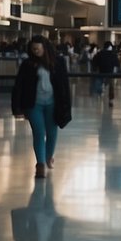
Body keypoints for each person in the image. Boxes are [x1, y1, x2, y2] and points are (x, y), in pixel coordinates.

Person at [11, 35, 73, 179]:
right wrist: (17, 108)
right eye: (33, 49)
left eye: (38, 49)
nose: (36, 51)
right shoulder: (28, 64)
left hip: (53, 104)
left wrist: (66, 106)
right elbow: (19, 86)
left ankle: (48, 156)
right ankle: (40, 165)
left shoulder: (58, 62)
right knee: (38, 133)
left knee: (51, 133)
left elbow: (64, 85)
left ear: (45, 48)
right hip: (34, 105)